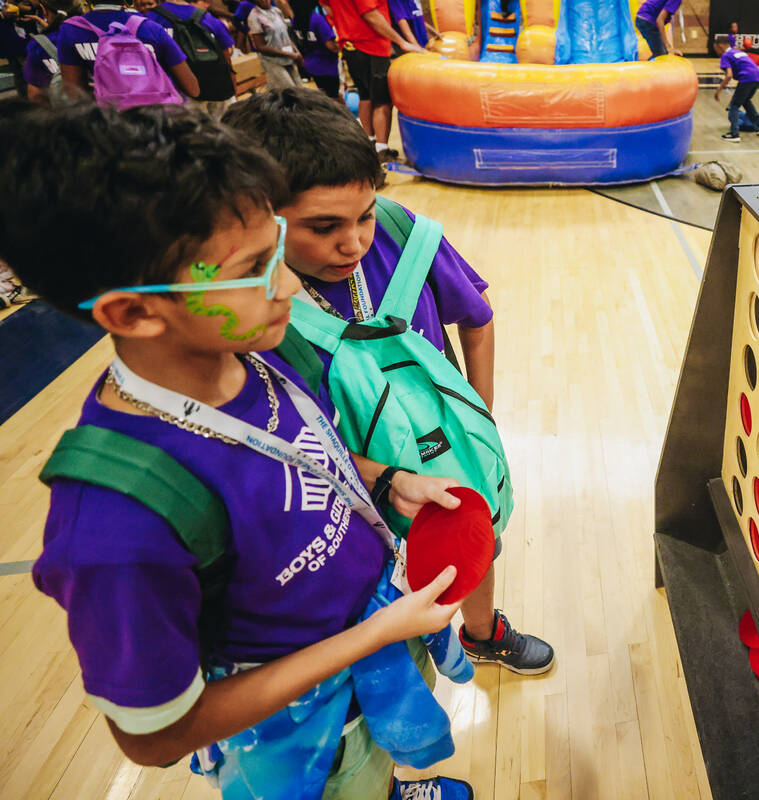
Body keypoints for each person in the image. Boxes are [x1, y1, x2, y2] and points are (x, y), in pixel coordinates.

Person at [0, 101, 476, 800]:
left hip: (370, 647)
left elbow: (303, 455)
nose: (288, 285)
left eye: (278, 251)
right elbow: (156, 735)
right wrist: (372, 637)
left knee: (374, 770)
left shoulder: (266, 342)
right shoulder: (117, 527)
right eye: (256, 267)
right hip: (296, 724)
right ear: (133, 312)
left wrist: (384, 479)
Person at [222, 89, 556, 675]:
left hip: (442, 457)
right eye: (323, 227)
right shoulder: (251, 306)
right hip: (344, 502)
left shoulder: (403, 235)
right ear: (254, 218)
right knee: (392, 641)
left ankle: (482, 633)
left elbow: (477, 319)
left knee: (475, 544)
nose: (353, 244)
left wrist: (479, 419)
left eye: (364, 215)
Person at [325, 0, 422, 159]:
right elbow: (370, 15)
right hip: (370, 45)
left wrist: (346, 21)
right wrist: (401, 42)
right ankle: (382, 150)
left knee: (365, 95)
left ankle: (370, 142)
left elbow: (327, 6)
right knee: (382, 100)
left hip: (349, 45)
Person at [56, 0, 199, 101]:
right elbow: (192, 88)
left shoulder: (70, 31)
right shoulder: (151, 28)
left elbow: (74, 94)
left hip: (106, 122)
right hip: (153, 120)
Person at [147, 0, 237, 115]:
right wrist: (233, 93)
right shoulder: (210, 19)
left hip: (181, 97)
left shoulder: (151, 20)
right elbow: (228, 62)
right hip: (220, 91)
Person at [714, 34, 759, 143]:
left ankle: (734, 134)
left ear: (719, 45)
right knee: (745, 100)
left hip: (747, 77)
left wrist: (719, 90)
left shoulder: (726, 55)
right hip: (758, 76)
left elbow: (729, 75)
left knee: (734, 105)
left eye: (714, 45)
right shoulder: (737, 52)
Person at [247, 0, 302, 88]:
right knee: (289, 90)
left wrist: (296, 52)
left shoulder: (277, 11)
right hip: (272, 61)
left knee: (299, 87)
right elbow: (260, 46)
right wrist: (289, 54)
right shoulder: (254, 16)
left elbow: (286, 36)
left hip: (288, 57)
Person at [301, 2, 339, 98]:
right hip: (326, 64)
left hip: (311, 63)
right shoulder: (316, 19)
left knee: (326, 95)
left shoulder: (295, 20)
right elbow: (330, 45)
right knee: (333, 96)